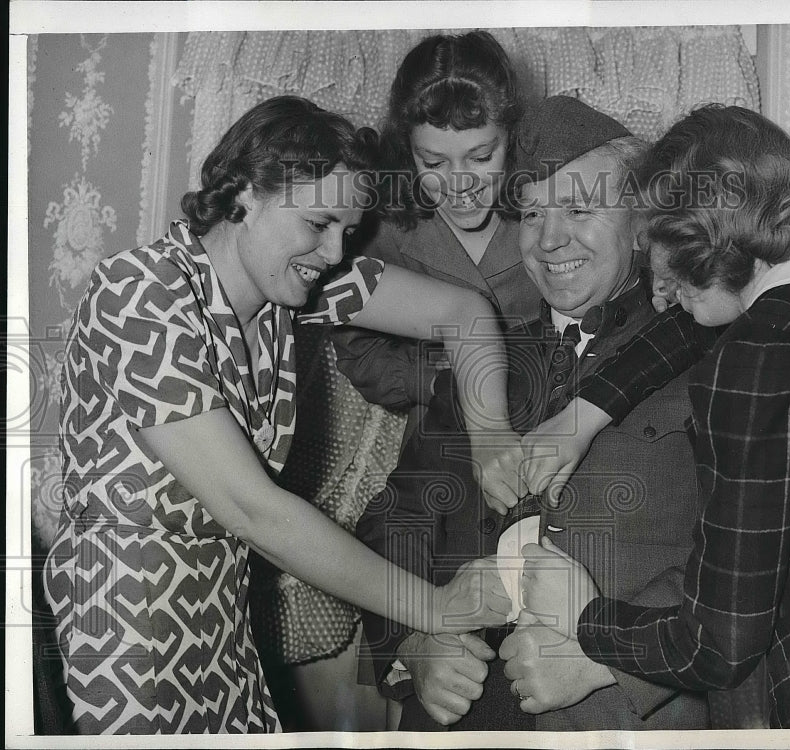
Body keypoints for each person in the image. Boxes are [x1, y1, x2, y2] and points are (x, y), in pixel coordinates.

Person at [42, 95, 516, 735]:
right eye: (319, 222)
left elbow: (465, 316)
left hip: (223, 616)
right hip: (127, 620)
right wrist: (429, 607)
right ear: (246, 192)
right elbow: (253, 510)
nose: (332, 250)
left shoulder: (286, 295)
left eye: (347, 230)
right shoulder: (139, 292)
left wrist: (490, 438)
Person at [518, 104, 790, 728]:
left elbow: (717, 644)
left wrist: (587, 619)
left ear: (703, 233)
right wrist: (587, 412)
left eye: (659, 241)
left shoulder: (756, 356)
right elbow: (697, 328)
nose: (658, 276)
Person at [355, 96, 712, 732]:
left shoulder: (710, 348)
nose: (550, 240)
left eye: (580, 209)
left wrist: (612, 662)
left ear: (642, 223)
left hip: (628, 719)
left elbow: (759, 550)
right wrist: (414, 640)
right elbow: (397, 521)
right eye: (531, 213)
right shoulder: (479, 363)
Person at [330, 31, 541, 465]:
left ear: (514, 138)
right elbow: (359, 352)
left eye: (481, 158)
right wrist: (440, 381)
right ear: (407, 152)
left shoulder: (549, 206)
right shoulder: (379, 231)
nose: (459, 183)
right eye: (434, 163)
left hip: (554, 426)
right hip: (440, 441)